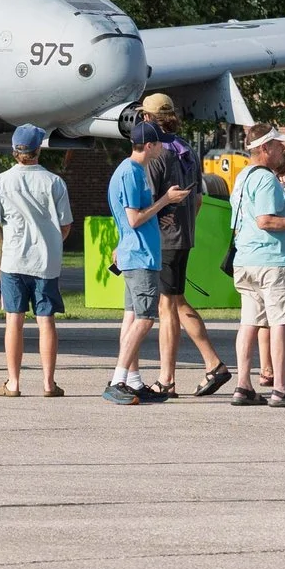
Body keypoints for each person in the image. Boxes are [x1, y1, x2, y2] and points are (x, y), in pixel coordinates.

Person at [142, 94, 231, 398]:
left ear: (147, 119)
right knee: (177, 302)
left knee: (167, 307)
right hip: (183, 237)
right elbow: (198, 198)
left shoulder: (156, 154)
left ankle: (167, 378)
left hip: (164, 238)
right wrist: (185, 225)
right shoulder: (185, 149)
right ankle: (213, 364)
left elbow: (149, 200)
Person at [226, 127, 285, 407]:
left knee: (249, 323)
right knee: (283, 322)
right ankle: (280, 388)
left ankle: (243, 385)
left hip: (246, 260)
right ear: (265, 148)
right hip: (272, 262)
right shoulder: (266, 180)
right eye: (279, 145)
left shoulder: (242, 177)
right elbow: (266, 221)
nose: (283, 150)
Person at [0, 125, 71, 398]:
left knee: (14, 320)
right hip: (45, 262)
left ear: (14, 150)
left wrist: (5, 236)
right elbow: (65, 224)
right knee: (46, 320)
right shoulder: (54, 182)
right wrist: (53, 241)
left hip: (13, 260)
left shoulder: (0, 181)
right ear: (38, 149)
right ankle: (48, 383)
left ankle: (13, 382)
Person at [104, 121, 189, 404]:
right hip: (139, 256)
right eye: (160, 143)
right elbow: (134, 218)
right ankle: (117, 381)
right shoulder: (130, 172)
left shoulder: (133, 171)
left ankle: (132, 380)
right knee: (144, 319)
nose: (164, 147)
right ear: (149, 146)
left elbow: (137, 217)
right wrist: (165, 200)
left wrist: (160, 208)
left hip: (138, 254)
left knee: (132, 318)